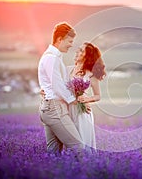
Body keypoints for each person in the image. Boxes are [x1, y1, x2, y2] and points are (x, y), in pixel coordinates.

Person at [38, 22, 85, 155]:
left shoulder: (53, 57)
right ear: (60, 39)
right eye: (69, 41)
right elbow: (57, 85)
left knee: (53, 152)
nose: (71, 44)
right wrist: (74, 100)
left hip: (50, 107)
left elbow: (53, 83)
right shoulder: (51, 58)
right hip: (55, 109)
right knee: (78, 148)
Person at [67, 42, 106, 152]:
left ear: (86, 56)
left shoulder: (90, 74)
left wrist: (86, 99)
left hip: (81, 112)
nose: (77, 52)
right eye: (78, 49)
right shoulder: (68, 70)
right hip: (67, 109)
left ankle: (85, 165)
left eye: (81, 51)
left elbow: (98, 96)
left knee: (82, 141)